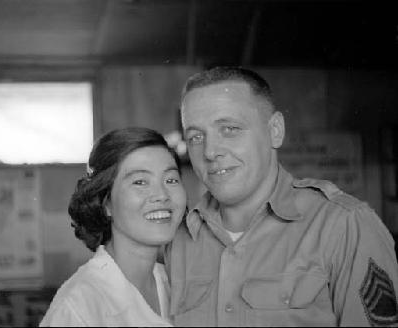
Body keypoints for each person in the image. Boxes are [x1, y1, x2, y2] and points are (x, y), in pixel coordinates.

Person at [165, 67, 398, 326]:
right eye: (196, 137)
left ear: (275, 130)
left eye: (229, 129)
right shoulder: (177, 240)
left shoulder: (343, 226)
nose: (210, 151)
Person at [40, 127, 187, 327]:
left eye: (170, 180)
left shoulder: (177, 286)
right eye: (140, 182)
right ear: (105, 203)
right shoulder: (78, 308)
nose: (162, 194)